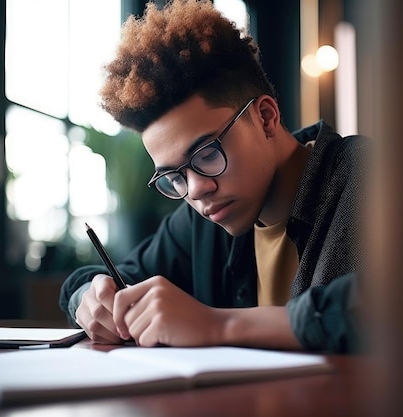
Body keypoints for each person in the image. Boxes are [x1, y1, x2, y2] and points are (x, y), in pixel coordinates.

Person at [59, 0, 369, 353]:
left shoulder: (370, 179)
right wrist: (90, 297)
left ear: (266, 117)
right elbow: (98, 279)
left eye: (207, 154)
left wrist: (218, 324)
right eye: (175, 177)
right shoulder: (201, 221)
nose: (196, 190)